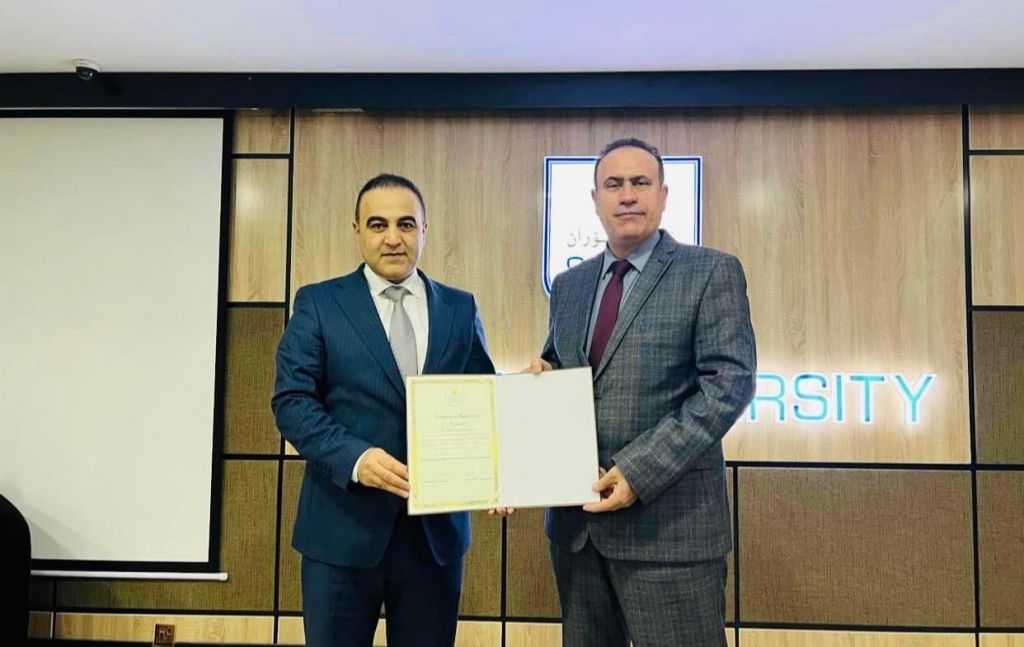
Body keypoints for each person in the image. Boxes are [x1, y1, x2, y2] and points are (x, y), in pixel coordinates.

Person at [531, 138, 757, 646]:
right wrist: (538, 381)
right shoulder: (569, 285)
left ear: (663, 194)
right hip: (578, 535)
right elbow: (562, 369)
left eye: (640, 182)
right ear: (595, 199)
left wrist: (638, 470)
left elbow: (729, 383)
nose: (628, 195)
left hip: (670, 533)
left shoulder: (710, 271)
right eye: (614, 184)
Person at [271, 173, 495, 647]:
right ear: (357, 229)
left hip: (434, 540)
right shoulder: (320, 303)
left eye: (406, 224)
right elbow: (292, 401)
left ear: (424, 229)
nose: (393, 237)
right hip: (341, 533)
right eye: (378, 224)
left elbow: (484, 400)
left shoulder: (460, 308)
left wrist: (508, 444)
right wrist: (355, 458)